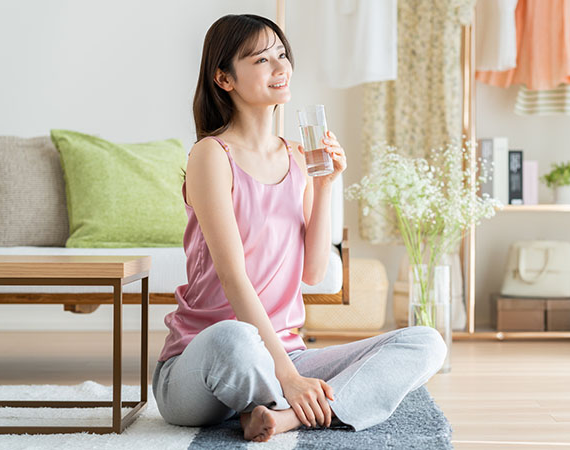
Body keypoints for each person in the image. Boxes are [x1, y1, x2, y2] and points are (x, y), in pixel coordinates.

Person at [152, 14, 448, 443]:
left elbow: (312, 274)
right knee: (237, 339)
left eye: (282, 55)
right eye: (260, 59)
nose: (280, 67)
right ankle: (299, 401)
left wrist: (325, 185)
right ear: (224, 78)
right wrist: (289, 377)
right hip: (202, 365)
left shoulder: (296, 157)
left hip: (284, 354)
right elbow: (235, 280)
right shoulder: (211, 155)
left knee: (425, 342)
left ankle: (284, 417)